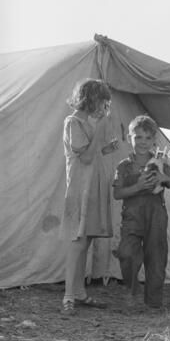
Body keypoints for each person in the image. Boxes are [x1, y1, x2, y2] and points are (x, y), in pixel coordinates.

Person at [61, 78, 119, 315]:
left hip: (92, 187)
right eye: (103, 102)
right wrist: (101, 129)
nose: (104, 107)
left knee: (85, 242)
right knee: (77, 243)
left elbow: (91, 155)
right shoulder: (73, 122)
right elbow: (84, 158)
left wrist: (106, 148)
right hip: (80, 190)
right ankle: (68, 297)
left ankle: (80, 293)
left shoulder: (86, 124)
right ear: (92, 99)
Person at [112, 115, 170, 309]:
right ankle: (132, 291)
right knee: (126, 252)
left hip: (156, 215)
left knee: (156, 256)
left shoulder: (161, 164)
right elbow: (117, 193)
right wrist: (138, 186)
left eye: (148, 138)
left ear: (154, 140)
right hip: (132, 216)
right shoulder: (123, 167)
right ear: (129, 138)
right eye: (138, 137)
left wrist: (163, 178)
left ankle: (153, 301)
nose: (143, 142)